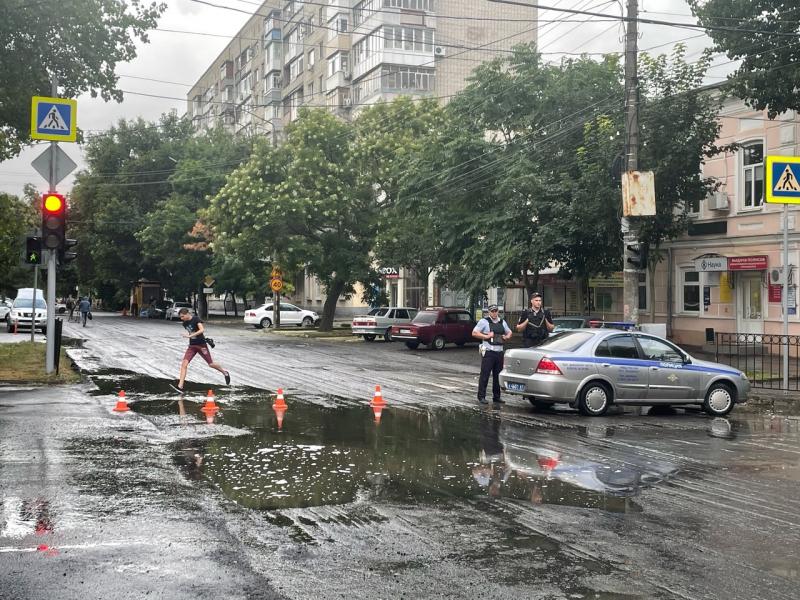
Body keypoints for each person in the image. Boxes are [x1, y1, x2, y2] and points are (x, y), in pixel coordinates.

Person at [174, 307, 230, 394]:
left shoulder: (196, 319)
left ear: (187, 314)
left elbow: (202, 330)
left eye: (182, 316)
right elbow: (192, 333)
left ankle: (225, 372)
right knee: (184, 364)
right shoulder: (184, 323)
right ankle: (180, 386)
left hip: (201, 346)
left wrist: (189, 336)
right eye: (180, 317)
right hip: (192, 346)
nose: (181, 318)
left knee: (210, 364)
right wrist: (190, 336)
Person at [472, 304, 512, 405]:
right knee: (485, 375)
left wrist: (507, 337)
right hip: (489, 352)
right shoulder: (484, 321)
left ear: (498, 311)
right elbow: (474, 333)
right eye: (492, 311)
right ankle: (481, 396)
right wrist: (487, 336)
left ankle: (496, 397)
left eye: (496, 311)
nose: (494, 313)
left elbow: (510, 332)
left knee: (497, 376)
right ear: (489, 312)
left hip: (499, 352)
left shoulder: (502, 322)